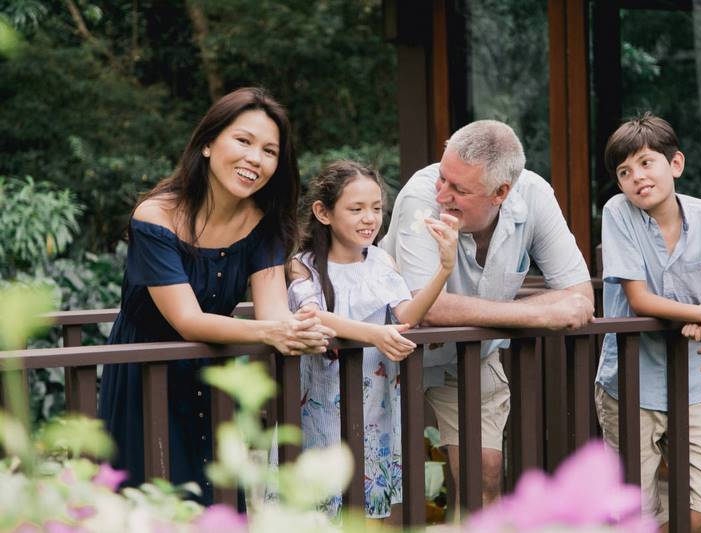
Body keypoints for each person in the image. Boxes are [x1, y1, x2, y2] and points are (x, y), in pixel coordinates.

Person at [98, 87, 335, 505]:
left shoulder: (264, 224)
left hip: (210, 381)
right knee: (148, 508)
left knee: (219, 505)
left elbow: (273, 311)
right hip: (143, 379)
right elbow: (187, 320)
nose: (255, 159)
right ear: (207, 143)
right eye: (243, 141)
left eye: (269, 151)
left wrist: (300, 328)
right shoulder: (155, 217)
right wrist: (272, 331)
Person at [380, 120, 595, 505]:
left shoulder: (535, 195)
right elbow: (430, 308)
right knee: (389, 486)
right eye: (443, 177)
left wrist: (496, 314)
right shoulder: (419, 197)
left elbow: (579, 296)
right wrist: (537, 315)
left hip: (471, 355)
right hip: (389, 350)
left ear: (501, 193)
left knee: (485, 473)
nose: (442, 194)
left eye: (459, 189)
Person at [594, 113, 701, 531]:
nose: (637, 177)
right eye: (624, 172)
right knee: (633, 513)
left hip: (692, 383)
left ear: (675, 164)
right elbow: (639, 298)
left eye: (646, 163)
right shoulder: (618, 212)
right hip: (629, 384)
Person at [286, 160, 458, 519]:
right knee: (321, 504)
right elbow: (312, 315)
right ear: (323, 212)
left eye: (377, 208)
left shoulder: (382, 261)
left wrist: (444, 269)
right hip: (320, 402)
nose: (369, 218)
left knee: (368, 505)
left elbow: (407, 315)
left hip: (374, 403)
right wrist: (375, 335)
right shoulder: (304, 265)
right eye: (356, 209)